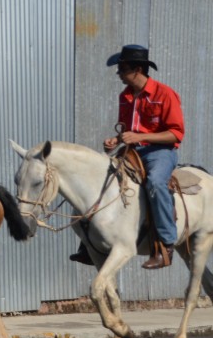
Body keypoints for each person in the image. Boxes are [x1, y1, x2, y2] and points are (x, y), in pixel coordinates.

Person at [69, 44, 185, 269]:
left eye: (122, 69)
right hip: (131, 151)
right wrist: (117, 139)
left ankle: (165, 245)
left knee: (155, 184)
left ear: (138, 70)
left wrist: (140, 136)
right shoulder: (126, 96)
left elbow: (175, 133)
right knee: (99, 179)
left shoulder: (165, 94)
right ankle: (88, 243)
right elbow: (126, 132)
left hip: (160, 152)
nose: (119, 74)